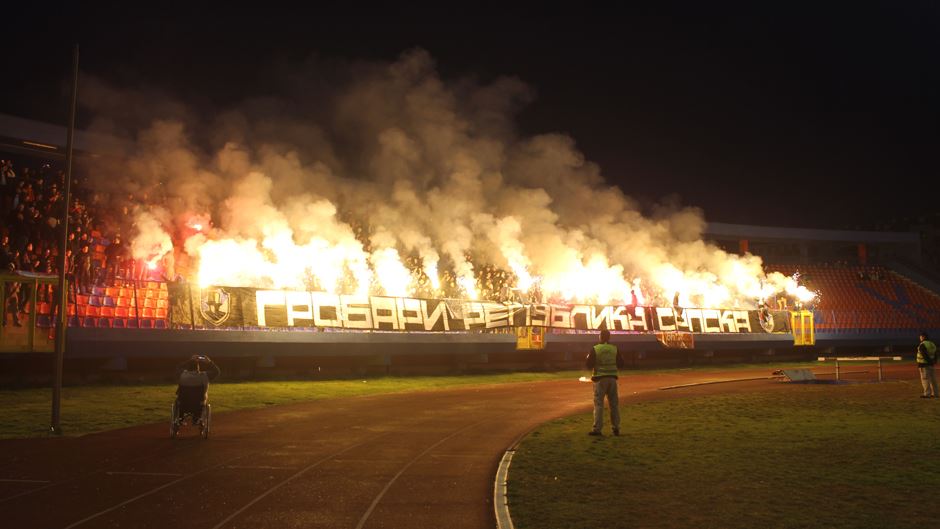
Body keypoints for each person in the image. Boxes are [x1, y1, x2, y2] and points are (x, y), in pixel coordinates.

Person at [585, 329, 625, 436]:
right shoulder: (614, 349)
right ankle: (616, 428)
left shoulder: (595, 349)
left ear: (600, 337)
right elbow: (621, 364)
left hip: (599, 379)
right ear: (609, 337)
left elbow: (588, 365)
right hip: (612, 378)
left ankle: (597, 429)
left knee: (599, 405)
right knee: (614, 404)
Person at [175, 355, 220, 423]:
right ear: (198, 368)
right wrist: (209, 362)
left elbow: (177, 367)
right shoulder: (204, 376)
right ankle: (197, 417)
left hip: (183, 404)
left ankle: (180, 418)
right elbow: (217, 372)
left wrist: (190, 360)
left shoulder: (182, 374)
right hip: (199, 404)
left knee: (179, 400)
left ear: (188, 367)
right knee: (201, 399)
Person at [915, 332, 937, 398]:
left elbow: (924, 355)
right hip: (931, 364)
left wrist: (928, 361)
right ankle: (935, 393)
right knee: (933, 379)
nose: (920, 338)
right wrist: (933, 362)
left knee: (925, 379)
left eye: (920, 337)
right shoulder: (932, 344)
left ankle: (927, 394)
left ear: (923, 337)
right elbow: (935, 354)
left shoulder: (922, 344)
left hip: (923, 364)